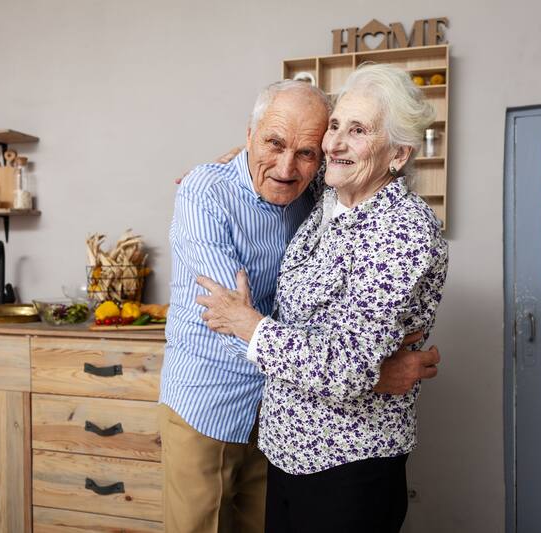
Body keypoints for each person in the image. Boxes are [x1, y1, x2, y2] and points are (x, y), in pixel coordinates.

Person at [161, 78, 441, 533]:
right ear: (250, 135)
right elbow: (226, 317)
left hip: (320, 442)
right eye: (336, 128)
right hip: (213, 403)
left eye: (307, 151)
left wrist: (358, 373)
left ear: (399, 153)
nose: (288, 166)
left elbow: (329, 353)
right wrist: (370, 374)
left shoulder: (363, 212)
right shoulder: (224, 195)